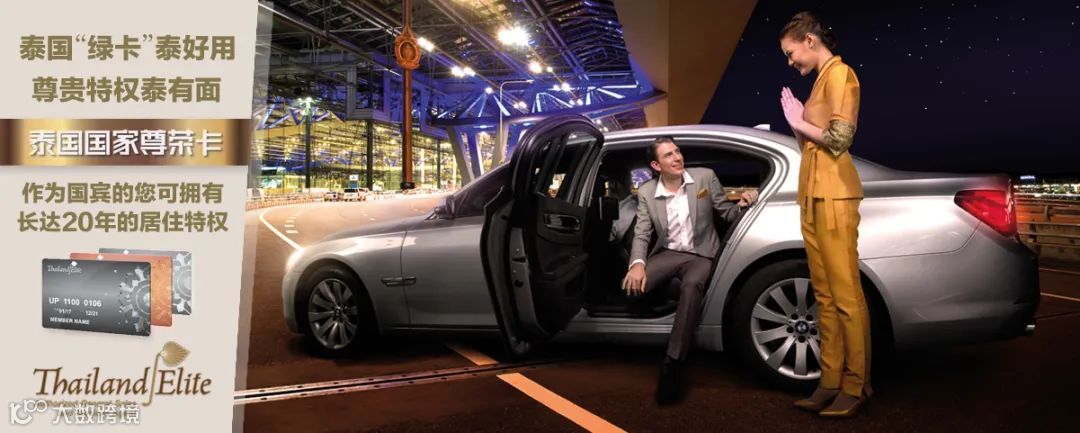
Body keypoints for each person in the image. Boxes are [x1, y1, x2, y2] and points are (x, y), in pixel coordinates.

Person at [778, 11, 871, 417]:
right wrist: (797, 123)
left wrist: (799, 121)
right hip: (813, 195)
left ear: (810, 41)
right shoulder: (820, 81)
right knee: (826, 296)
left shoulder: (841, 75)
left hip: (834, 195)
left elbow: (839, 139)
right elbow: (813, 145)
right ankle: (830, 381)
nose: (790, 61)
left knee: (846, 295)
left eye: (790, 52)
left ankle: (856, 384)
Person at [622, 136, 758, 404]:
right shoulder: (647, 191)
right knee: (631, 286)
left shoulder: (704, 177)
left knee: (691, 285)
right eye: (668, 155)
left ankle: (673, 363)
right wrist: (637, 264)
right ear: (656, 165)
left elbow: (727, 214)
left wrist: (743, 205)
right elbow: (642, 232)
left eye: (677, 152)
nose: (677, 158)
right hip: (668, 253)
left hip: (701, 253)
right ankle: (669, 300)